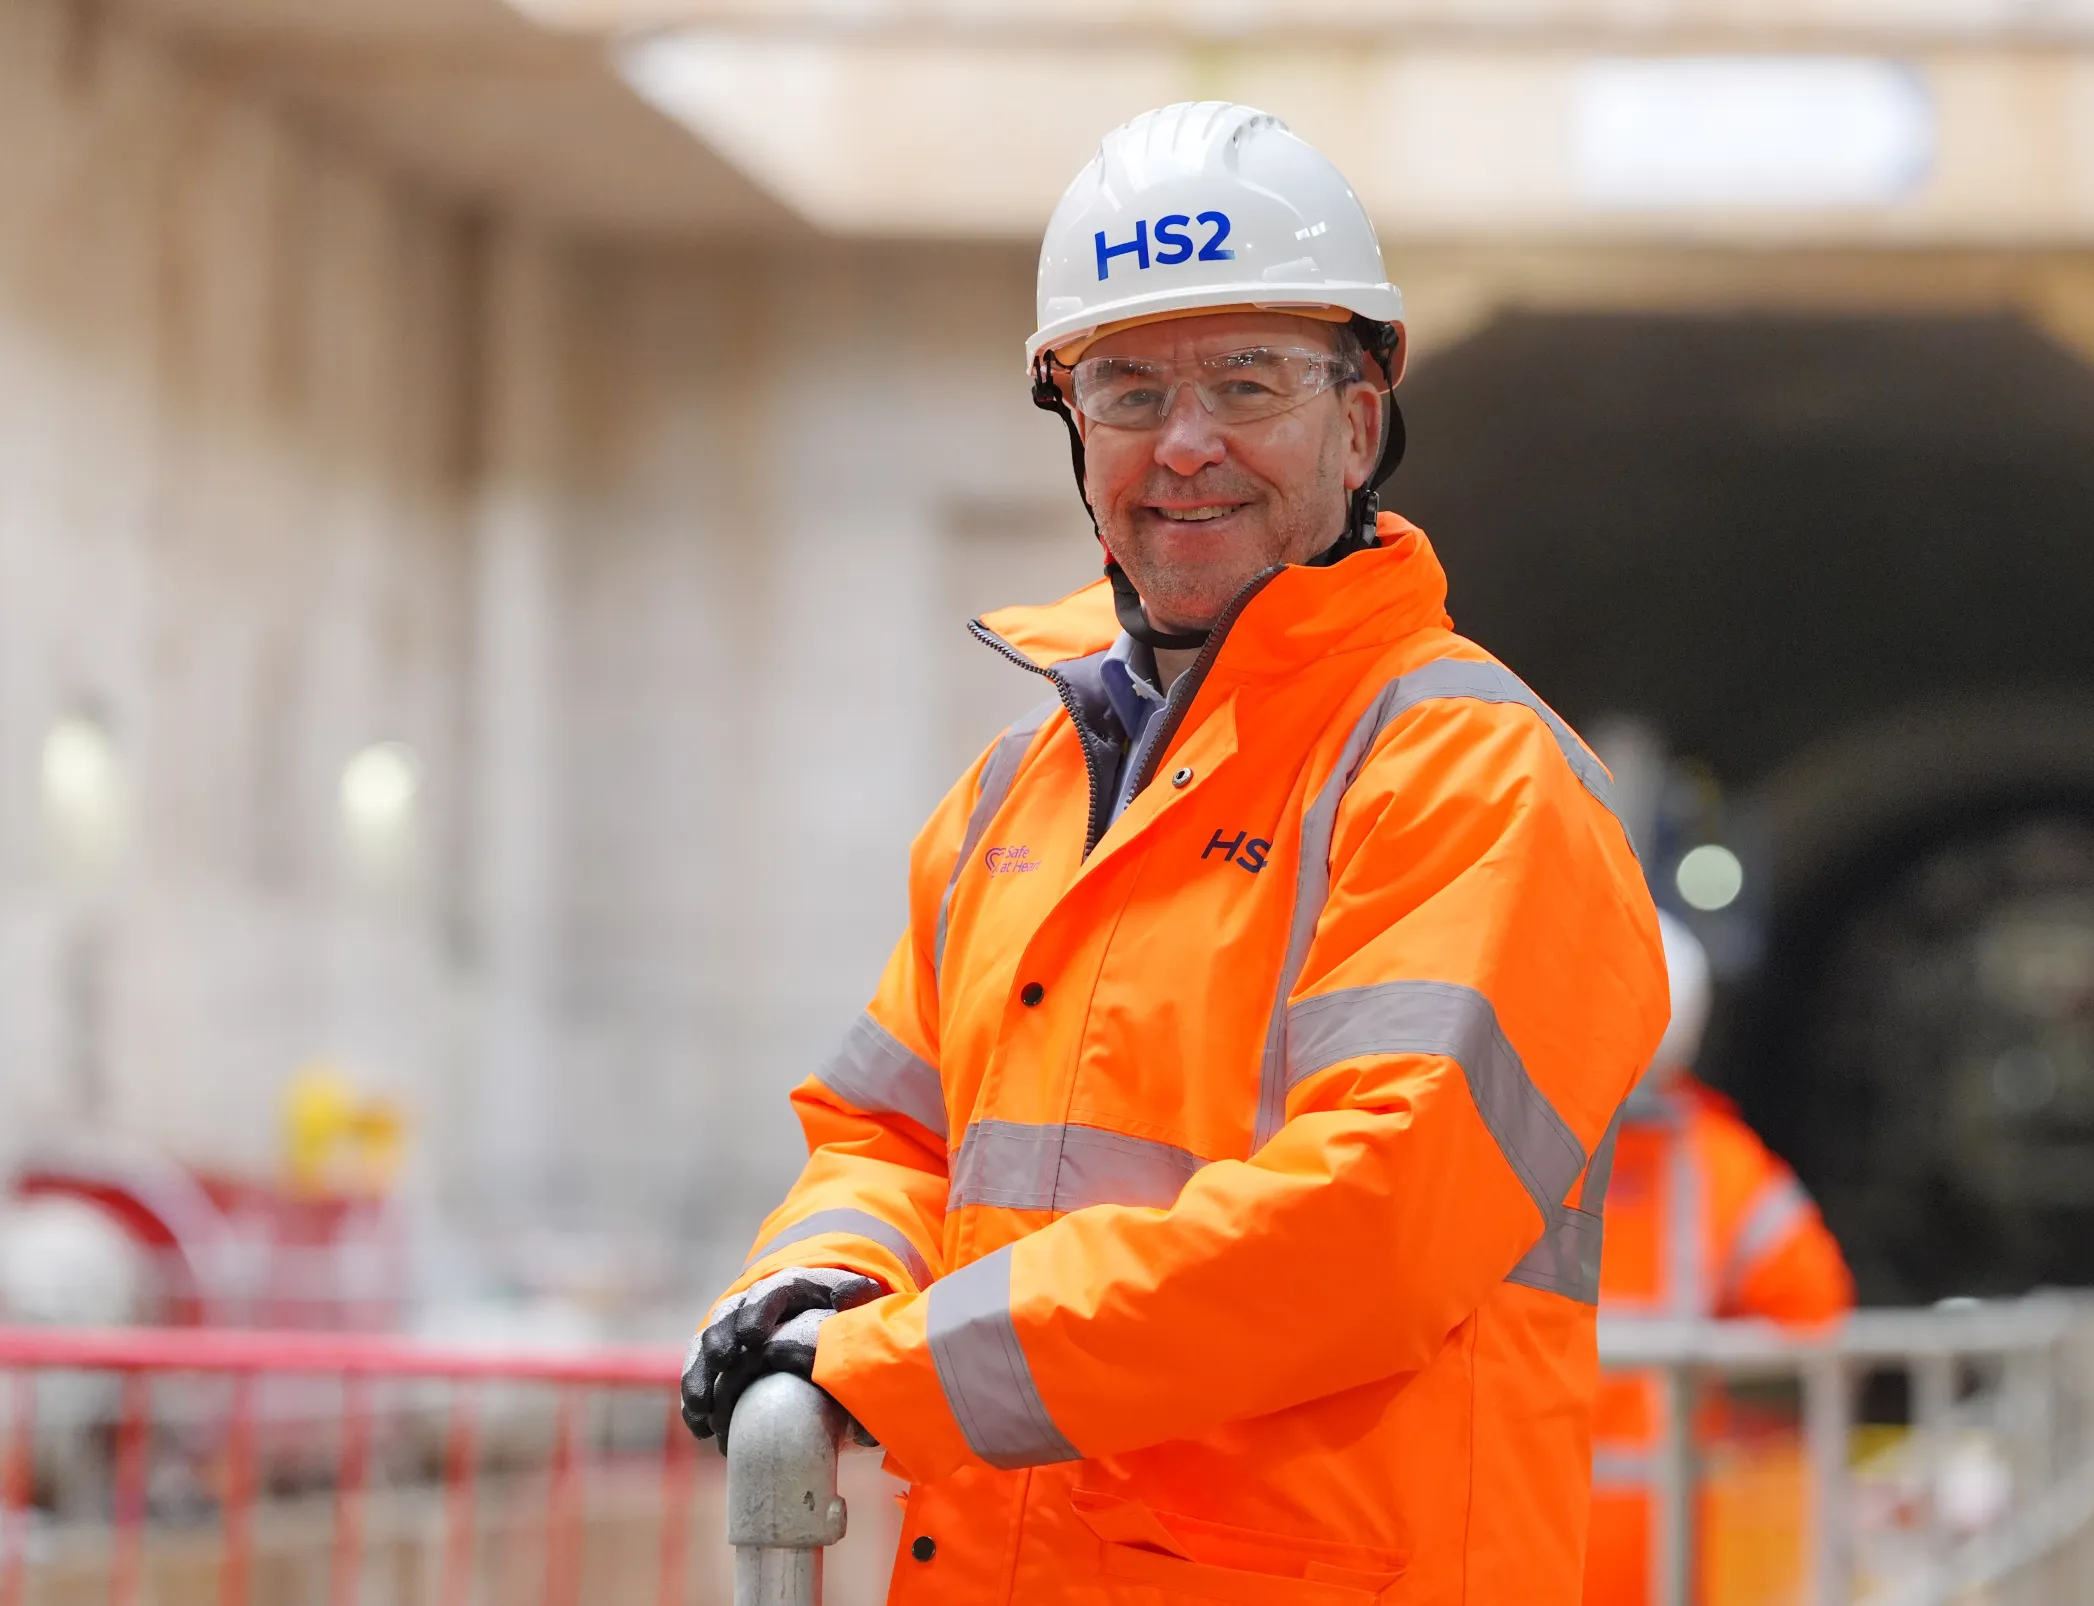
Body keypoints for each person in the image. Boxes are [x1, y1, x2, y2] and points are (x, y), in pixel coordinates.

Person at [680, 101, 1666, 1603]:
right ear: (1071, 424)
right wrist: (827, 1272)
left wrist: (903, 1362)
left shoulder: (1475, 779)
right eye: (1128, 388)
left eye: (1246, 382)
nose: (1184, 445)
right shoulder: (1020, 792)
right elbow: (889, 1134)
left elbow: (1367, 1229)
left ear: (1359, 413)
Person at [1585, 911, 1855, 1606]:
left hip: (1508, 1527)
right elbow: (1817, 1317)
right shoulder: (1722, 1165)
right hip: (1662, 1537)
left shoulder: (1500, 1137)